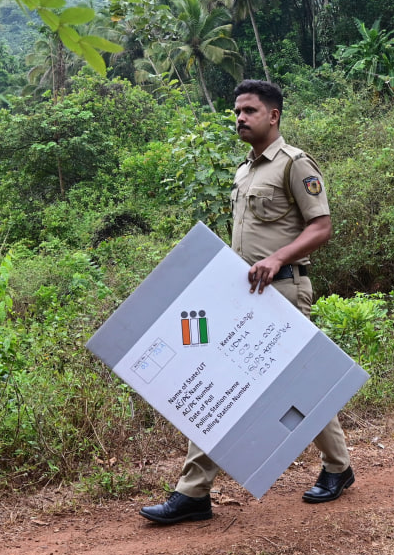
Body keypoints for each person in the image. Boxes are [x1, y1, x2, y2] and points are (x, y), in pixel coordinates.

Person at [140, 80, 355, 525]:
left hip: (285, 290)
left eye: (249, 110)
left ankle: (336, 468)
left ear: (273, 115)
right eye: (237, 111)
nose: (239, 118)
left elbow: (322, 227)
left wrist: (276, 259)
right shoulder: (242, 172)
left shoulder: (294, 165)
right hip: (245, 297)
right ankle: (195, 493)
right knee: (222, 383)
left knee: (299, 385)